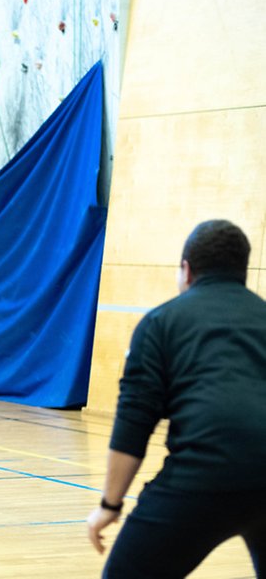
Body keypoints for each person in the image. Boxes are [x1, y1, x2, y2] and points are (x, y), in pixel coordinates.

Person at [87, 219, 266, 578]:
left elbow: (134, 422)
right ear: (242, 270)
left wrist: (110, 503)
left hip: (204, 476)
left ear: (186, 269)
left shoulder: (161, 323)